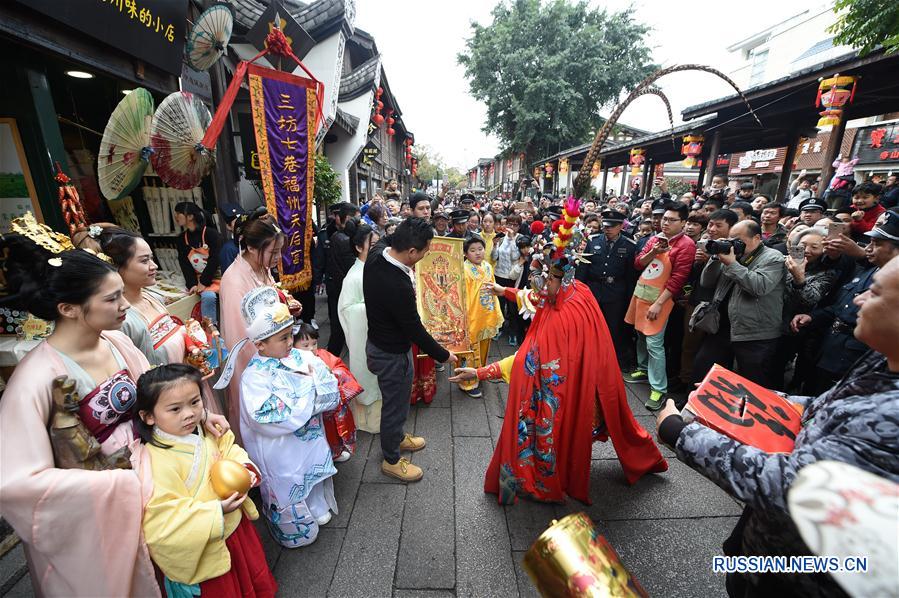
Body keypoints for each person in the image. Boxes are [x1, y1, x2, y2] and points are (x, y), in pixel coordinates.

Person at [0, 223, 227, 596]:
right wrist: (119, 484)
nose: (124, 306)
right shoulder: (34, 378)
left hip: (155, 480)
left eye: (122, 295)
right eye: (111, 299)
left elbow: (155, 395)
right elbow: (21, 485)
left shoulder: (118, 342)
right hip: (109, 506)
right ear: (68, 308)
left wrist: (201, 415)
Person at [655, 254, 899, 597]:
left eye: (874, 292)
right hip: (771, 552)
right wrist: (729, 397)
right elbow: (822, 408)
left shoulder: (892, 415)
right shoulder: (883, 362)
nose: (857, 298)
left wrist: (681, 433)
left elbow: (795, 489)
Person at [450, 203, 667, 505]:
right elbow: (538, 297)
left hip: (556, 387)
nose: (538, 284)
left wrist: (480, 372)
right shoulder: (578, 292)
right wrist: (506, 292)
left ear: (560, 277)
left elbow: (527, 362)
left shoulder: (560, 316)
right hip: (575, 381)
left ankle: (544, 478)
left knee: (546, 430)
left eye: (544, 278)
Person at [134, 364, 277, 597]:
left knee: (248, 574)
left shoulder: (204, 427)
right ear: (148, 416)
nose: (189, 413)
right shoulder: (155, 461)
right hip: (208, 536)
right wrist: (215, 511)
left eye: (195, 402)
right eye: (175, 409)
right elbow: (162, 521)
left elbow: (228, 447)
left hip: (233, 525)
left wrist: (242, 469)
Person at [218, 286, 341, 547]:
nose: (289, 343)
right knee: (290, 479)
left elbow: (325, 381)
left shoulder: (301, 356)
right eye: (282, 339)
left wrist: (304, 396)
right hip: (281, 447)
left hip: (309, 437)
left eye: (290, 336)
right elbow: (262, 414)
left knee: (313, 475)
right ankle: (294, 524)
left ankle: (317, 505)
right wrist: (308, 398)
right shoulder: (255, 376)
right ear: (260, 343)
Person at [363, 218, 458, 482]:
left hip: (382, 343)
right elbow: (415, 330)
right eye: (425, 250)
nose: (427, 254)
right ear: (412, 252)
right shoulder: (396, 285)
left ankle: (397, 436)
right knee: (394, 405)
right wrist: (444, 354)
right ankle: (391, 459)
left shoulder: (378, 252)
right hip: (391, 353)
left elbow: (387, 236)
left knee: (399, 401)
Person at [791, 211, 899, 393]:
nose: (869, 248)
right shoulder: (868, 272)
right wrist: (812, 317)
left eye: (877, 244)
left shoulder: (889, 282)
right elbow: (842, 307)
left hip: (854, 356)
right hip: (830, 349)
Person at [691, 220, 786, 388]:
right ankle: (697, 409)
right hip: (722, 326)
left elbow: (759, 287)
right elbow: (707, 282)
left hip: (754, 332)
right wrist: (715, 257)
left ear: (757, 238)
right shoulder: (732, 254)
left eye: (738, 240)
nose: (734, 244)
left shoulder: (773, 258)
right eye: (730, 239)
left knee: (751, 381)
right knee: (703, 368)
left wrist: (732, 264)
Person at [219, 208, 285, 439]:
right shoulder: (234, 280)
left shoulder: (262, 268)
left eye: (279, 251)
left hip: (273, 348)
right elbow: (241, 336)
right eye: (273, 252)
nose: (278, 258)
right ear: (251, 247)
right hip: (254, 358)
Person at [624, 202, 695, 410]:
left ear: (683, 222)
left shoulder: (686, 245)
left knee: (655, 343)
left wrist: (659, 303)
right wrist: (653, 251)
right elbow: (639, 264)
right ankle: (643, 369)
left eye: (672, 220)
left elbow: (678, 279)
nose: (665, 223)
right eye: (664, 219)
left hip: (659, 300)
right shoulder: (655, 239)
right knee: (640, 334)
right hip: (642, 293)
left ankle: (659, 389)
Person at [98, 226, 186, 366]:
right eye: (144, 261)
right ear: (116, 266)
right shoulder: (121, 319)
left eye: (151, 258)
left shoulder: (153, 296)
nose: (154, 266)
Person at [337, 222, 383, 433]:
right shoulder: (353, 277)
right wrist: (375, 305)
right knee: (366, 376)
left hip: (377, 336)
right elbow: (346, 310)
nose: (376, 248)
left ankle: (377, 420)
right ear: (358, 247)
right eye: (371, 244)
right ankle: (366, 423)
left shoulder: (374, 268)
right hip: (363, 339)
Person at [579, 210, 637, 371]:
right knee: (590, 326)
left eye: (612, 226)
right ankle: (589, 358)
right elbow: (584, 266)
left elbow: (630, 275)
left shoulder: (629, 245)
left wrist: (628, 299)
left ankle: (610, 361)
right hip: (593, 290)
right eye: (605, 226)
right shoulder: (593, 240)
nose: (607, 229)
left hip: (615, 293)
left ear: (620, 226)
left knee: (613, 329)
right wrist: (579, 290)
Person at [294, 323, 359, 463]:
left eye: (314, 343)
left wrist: (333, 375)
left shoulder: (323, 355)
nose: (311, 349)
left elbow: (339, 366)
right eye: (305, 345)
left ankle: (335, 453)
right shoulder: (292, 364)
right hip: (310, 410)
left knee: (332, 433)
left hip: (328, 409)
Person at [456, 235, 504, 399]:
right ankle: (466, 382)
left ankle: (480, 373)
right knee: (469, 351)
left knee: (484, 347)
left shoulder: (488, 266)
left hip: (486, 315)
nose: (478, 253)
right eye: (473, 250)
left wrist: (496, 312)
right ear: (465, 254)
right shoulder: (463, 269)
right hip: (470, 317)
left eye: (480, 249)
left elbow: (494, 291)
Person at [175, 202, 222, 325]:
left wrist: (203, 282)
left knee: (208, 296)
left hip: (215, 277)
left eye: (178, 214)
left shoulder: (211, 234)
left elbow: (215, 259)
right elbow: (184, 263)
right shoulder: (181, 239)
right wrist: (192, 284)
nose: (175, 217)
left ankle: (211, 331)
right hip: (197, 279)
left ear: (190, 216)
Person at [325, 201, 359, 357]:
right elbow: (349, 268)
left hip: (337, 288)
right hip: (341, 290)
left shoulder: (340, 236)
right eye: (357, 219)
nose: (359, 223)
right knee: (339, 331)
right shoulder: (345, 241)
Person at [219, 202, 246, 274]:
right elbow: (227, 276)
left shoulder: (254, 239)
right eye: (237, 222)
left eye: (243, 220)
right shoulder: (228, 249)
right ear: (228, 226)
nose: (241, 223)